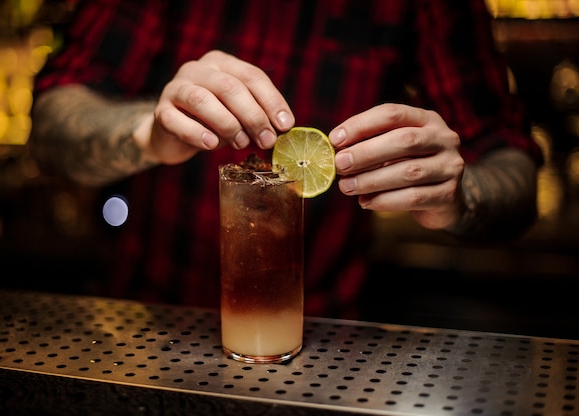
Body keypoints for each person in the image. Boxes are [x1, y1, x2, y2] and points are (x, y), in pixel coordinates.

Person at [28, 0, 542, 320]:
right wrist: (147, 133)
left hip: (322, 339)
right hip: (144, 324)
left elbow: (513, 169)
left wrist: (458, 195)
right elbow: (50, 130)